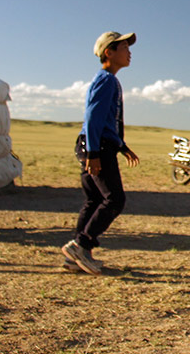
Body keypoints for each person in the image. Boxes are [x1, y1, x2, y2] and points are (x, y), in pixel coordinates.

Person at [61, 31, 141, 275]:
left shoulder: (108, 80)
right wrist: (93, 153)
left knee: (94, 200)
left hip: (97, 144)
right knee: (114, 199)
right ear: (109, 52)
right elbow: (93, 118)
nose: (129, 52)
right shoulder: (106, 80)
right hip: (97, 147)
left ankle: (75, 258)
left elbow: (104, 121)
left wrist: (122, 146)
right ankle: (81, 245)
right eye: (124, 48)